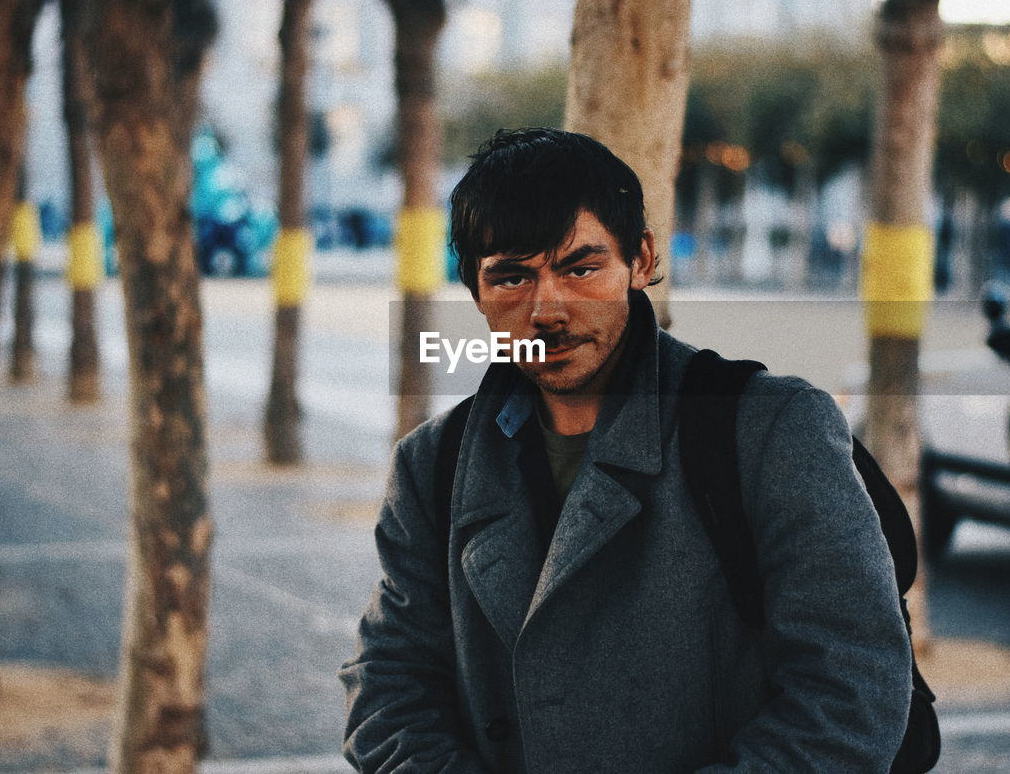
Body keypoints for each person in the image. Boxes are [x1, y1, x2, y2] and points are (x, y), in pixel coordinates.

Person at [339, 128, 912, 772]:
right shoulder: (432, 465)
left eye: (580, 268)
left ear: (641, 259)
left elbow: (849, 692)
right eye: (510, 278)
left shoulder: (767, 427)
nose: (547, 309)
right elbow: (390, 685)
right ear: (475, 291)